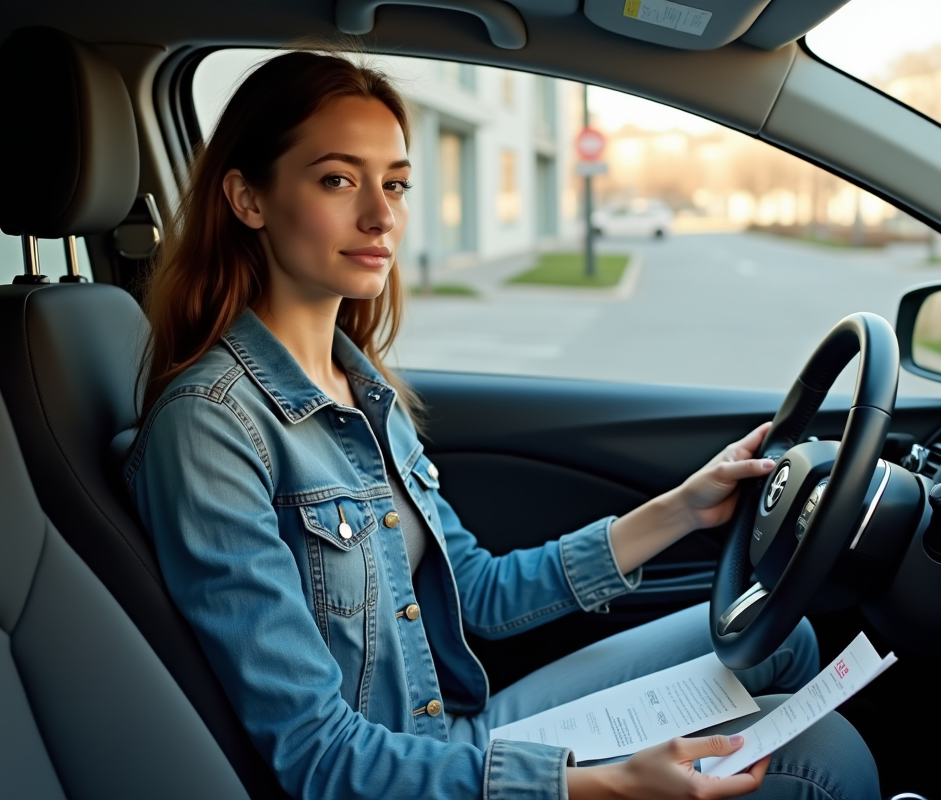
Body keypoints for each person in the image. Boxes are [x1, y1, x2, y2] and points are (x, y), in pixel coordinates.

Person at [126, 49, 879, 800]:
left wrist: (681, 509)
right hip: (396, 775)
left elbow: (478, 591)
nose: (381, 215)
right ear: (248, 199)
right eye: (337, 179)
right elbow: (320, 756)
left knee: (781, 642)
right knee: (825, 761)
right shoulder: (212, 428)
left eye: (395, 184)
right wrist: (605, 787)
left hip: (457, 734)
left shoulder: (361, 388)